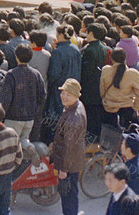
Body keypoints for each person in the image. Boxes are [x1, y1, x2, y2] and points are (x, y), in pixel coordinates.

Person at [49, 78, 87, 215]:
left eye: (68, 94)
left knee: (68, 198)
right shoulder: (76, 106)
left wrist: (64, 169)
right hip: (73, 161)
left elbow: (69, 147)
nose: (64, 97)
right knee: (70, 196)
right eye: (63, 93)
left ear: (76, 96)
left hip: (69, 165)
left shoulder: (73, 118)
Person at [0, 43, 46, 143]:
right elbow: (42, 96)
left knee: (11, 146)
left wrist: (1, 116)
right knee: (24, 146)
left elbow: (5, 99)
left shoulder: (11, 74)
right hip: (30, 118)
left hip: (13, 118)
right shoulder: (36, 74)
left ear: (16, 57)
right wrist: (36, 112)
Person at [100, 47, 139, 129]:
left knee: (110, 135)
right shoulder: (133, 73)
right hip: (127, 109)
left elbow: (102, 91)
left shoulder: (105, 70)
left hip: (109, 107)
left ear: (111, 59)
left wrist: (105, 100)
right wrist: (135, 107)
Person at [118, 132, 139, 205]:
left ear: (129, 150)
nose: (121, 145)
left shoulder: (132, 172)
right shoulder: (138, 160)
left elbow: (133, 200)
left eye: (123, 144)